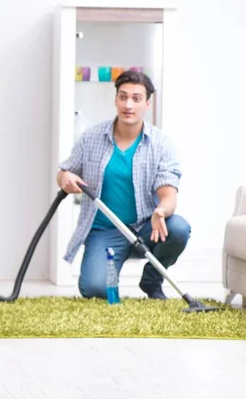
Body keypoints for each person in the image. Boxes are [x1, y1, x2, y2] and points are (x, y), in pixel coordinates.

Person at [57, 70, 191, 300]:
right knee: (96, 289)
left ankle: (151, 280)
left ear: (147, 103)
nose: (128, 104)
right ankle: (110, 279)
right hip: (105, 232)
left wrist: (161, 211)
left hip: (148, 228)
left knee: (178, 229)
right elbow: (65, 171)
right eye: (123, 97)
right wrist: (65, 178)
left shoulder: (161, 144)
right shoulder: (91, 137)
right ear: (116, 99)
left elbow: (169, 193)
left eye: (136, 99)